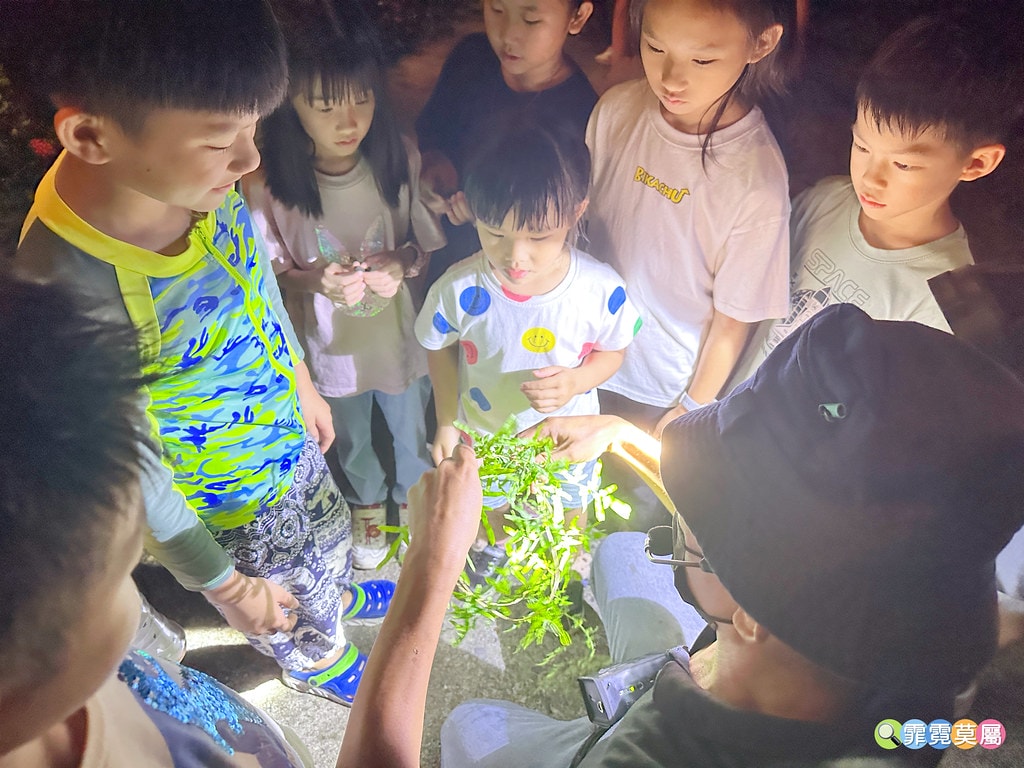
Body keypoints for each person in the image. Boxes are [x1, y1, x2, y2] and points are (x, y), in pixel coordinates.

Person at [349, 303, 1024, 767]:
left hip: (665, 711)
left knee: (469, 728)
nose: (681, 520)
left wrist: (429, 573)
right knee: (620, 553)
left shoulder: (653, 756)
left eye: (695, 525)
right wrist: (624, 435)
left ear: (755, 614)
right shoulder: (922, 649)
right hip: (717, 666)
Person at [4, 0, 394, 707]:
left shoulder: (196, 178)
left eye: (254, 126)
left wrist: (300, 374)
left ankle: (332, 586)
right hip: (228, 501)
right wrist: (226, 585)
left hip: (283, 432)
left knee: (323, 535)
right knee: (280, 599)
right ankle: (314, 653)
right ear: (91, 135)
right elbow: (135, 466)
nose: (249, 159)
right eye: (223, 140)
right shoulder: (65, 287)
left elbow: (252, 280)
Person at [0, 274, 482, 768]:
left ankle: (331, 600)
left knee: (316, 559)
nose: (139, 587)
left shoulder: (70, 677)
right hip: (238, 506)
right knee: (284, 600)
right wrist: (434, 562)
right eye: (120, 573)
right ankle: (314, 658)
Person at [245, 2, 444, 569]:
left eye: (360, 99)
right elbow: (272, 271)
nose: (347, 120)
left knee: (412, 433)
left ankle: (415, 510)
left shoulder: (395, 157)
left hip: (398, 342)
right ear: (294, 108)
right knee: (353, 442)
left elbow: (421, 246)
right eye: (325, 105)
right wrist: (318, 281)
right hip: (330, 351)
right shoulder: (273, 185)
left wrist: (400, 263)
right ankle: (367, 510)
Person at [729, 15, 1020, 387]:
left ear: (977, 163)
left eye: (903, 164)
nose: (870, 177)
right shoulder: (824, 202)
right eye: (862, 145)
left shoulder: (944, 303)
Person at [414, 115, 641, 583]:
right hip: (488, 433)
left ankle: (568, 563)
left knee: (571, 502)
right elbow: (439, 347)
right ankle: (504, 548)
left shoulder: (600, 290)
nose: (516, 257)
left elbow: (614, 351)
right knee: (494, 497)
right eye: (495, 232)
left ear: (576, 212)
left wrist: (576, 381)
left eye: (538, 237)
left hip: (568, 439)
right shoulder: (458, 288)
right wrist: (446, 420)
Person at [585, 0, 792, 439]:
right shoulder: (617, 110)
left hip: (658, 388)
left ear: (762, 43)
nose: (671, 77)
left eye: (702, 59)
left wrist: (691, 406)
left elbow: (733, 319)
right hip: (581, 352)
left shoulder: (755, 181)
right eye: (655, 47)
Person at [415, 0, 598, 288]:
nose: (508, 34)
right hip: (453, 264)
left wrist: (487, 219)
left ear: (577, 18)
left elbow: (560, 223)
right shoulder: (470, 59)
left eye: (531, 20)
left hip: (514, 284)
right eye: (497, 10)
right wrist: (433, 161)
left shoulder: (582, 116)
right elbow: (434, 129)